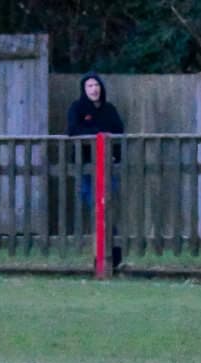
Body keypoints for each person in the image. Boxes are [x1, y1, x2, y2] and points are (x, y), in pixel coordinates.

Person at [66, 72, 125, 267]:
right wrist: (98, 133)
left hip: (108, 165)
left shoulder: (109, 109)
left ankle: (109, 255)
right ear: (84, 89)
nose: (94, 89)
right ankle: (107, 254)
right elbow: (73, 130)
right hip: (86, 166)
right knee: (96, 205)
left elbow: (119, 131)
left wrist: (116, 156)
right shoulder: (77, 108)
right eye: (90, 86)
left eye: (96, 85)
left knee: (106, 206)